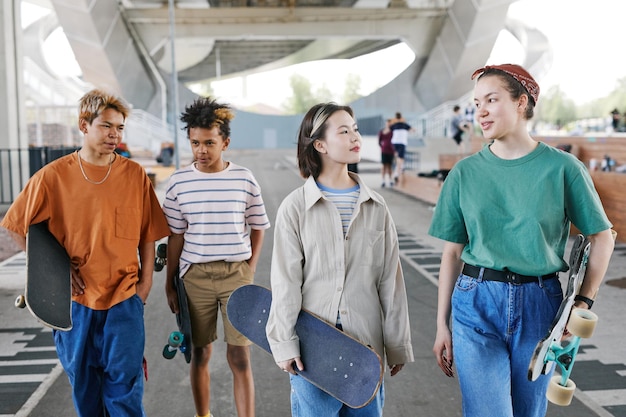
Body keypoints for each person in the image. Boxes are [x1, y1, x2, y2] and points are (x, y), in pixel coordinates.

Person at [429, 64, 615, 417]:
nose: (480, 111)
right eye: (476, 103)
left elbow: (602, 238)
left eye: (491, 99)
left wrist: (583, 303)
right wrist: (442, 325)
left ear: (521, 102)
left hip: (540, 305)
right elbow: (451, 253)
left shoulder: (563, 169)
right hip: (475, 302)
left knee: (528, 412)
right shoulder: (464, 173)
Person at [1, 88, 171, 416]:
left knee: (125, 391)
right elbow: (16, 227)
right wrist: (54, 273)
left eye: (120, 128)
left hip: (124, 301)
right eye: (107, 126)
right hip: (75, 305)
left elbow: (148, 235)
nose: (114, 134)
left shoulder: (134, 175)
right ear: (84, 124)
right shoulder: (53, 177)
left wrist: (145, 286)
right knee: (85, 391)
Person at [266, 102, 414, 417]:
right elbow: (285, 281)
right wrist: (284, 343)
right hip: (313, 349)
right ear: (319, 144)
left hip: (366, 348)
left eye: (355, 129)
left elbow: (390, 280)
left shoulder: (377, 206)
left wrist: (397, 343)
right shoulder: (295, 208)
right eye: (343, 131)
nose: (354, 136)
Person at [162, 97, 270, 417]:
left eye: (209, 143)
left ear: (225, 142)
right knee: (200, 352)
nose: (202, 151)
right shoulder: (179, 182)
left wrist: (248, 270)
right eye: (195, 143)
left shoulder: (244, 179)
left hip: (236, 275)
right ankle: (203, 415)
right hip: (194, 277)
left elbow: (259, 226)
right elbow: (175, 236)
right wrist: (170, 284)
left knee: (239, 357)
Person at [389, 112, 413, 184]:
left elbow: (389, 129)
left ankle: (400, 168)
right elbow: (412, 130)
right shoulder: (404, 124)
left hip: (394, 142)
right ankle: (397, 172)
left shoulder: (394, 125)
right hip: (402, 142)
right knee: (400, 158)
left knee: (398, 157)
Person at [378, 118, 395, 187]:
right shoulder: (382, 131)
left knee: (390, 166)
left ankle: (391, 180)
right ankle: (383, 180)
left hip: (391, 151)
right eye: (388, 123)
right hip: (384, 151)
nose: (389, 124)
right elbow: (379, 141)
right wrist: (382, 147)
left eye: (390, 123)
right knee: (384, 166)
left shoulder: (393, 131)